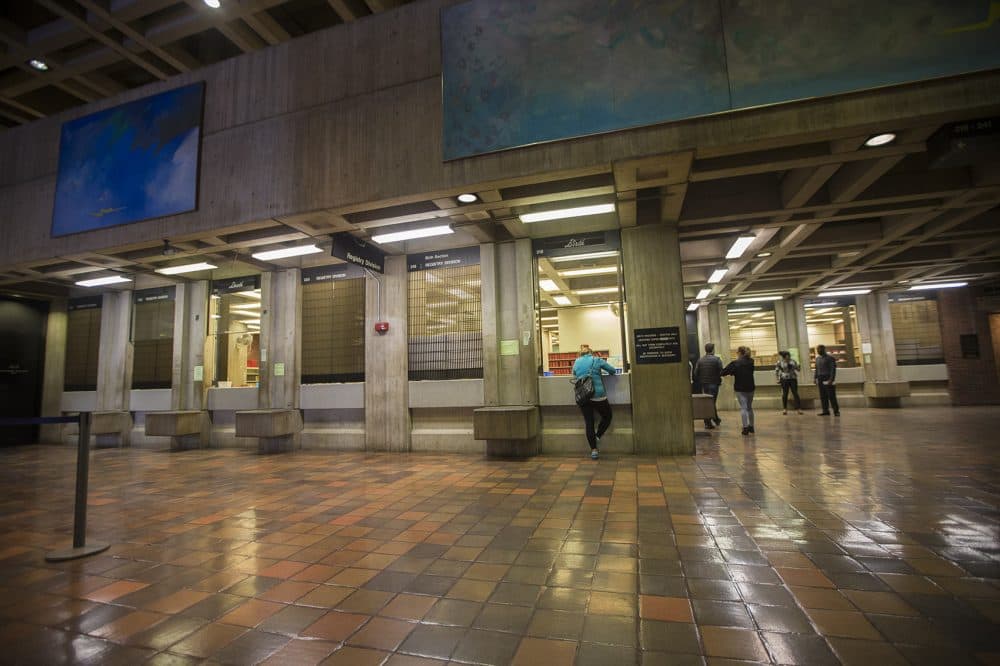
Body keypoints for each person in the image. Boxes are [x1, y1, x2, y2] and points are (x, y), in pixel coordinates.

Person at [572, 344, 618, 459]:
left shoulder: (576, 362)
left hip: (583, 396)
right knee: (607, 416)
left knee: (589, 422)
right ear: (591, 353)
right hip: (597, 395)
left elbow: (574, 374)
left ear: (581, 354)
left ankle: (594, 450)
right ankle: (598, 435)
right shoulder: (596, 360)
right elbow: (612, 371)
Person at [722, 346, 756, 435]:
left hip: (740, 388)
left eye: (737, 352)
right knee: (749, 407)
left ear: (740, 353)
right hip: (750, 387)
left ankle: (745, 428)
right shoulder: (751, 361)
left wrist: (730, 372)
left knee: (743, 408)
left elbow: (724, 372)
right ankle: (751, 426)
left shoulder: (735, 363)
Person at [693, 342, 723, 429]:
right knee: (711, 403)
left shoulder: (700, 360)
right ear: (713, 350)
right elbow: (721, 371)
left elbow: (695, 373)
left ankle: (715, 419)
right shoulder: (717, 359)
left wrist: (701, 379)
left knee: (709, 402)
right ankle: (709, 421)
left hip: (704, 384)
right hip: (714, 383)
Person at [775, 350, 803, 415]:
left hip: (793, 378)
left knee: (795, 393)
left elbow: (798, 370)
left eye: (789, 356)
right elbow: (776, 371)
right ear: (784, 357)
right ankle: (785, 409)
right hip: (784, 379)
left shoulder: (793, 361)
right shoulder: (779, 362)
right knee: (785, 394)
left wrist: (798, 366)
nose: (788, 357)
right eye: (787, 356)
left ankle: (799, 408)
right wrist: (777, 379)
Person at [815, 344, 840, 416]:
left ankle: (836, 411)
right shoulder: (817, 359)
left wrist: (831, 379)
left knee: (831, 395)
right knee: (823, 396)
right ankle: (825, 410)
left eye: (819, 349)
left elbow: (833, 369)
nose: (818, 351)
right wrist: (815, 378)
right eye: (817, 350)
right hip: (820, 378)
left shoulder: (830, 358)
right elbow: (817, 369)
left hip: (828, 377)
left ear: (823, 349)